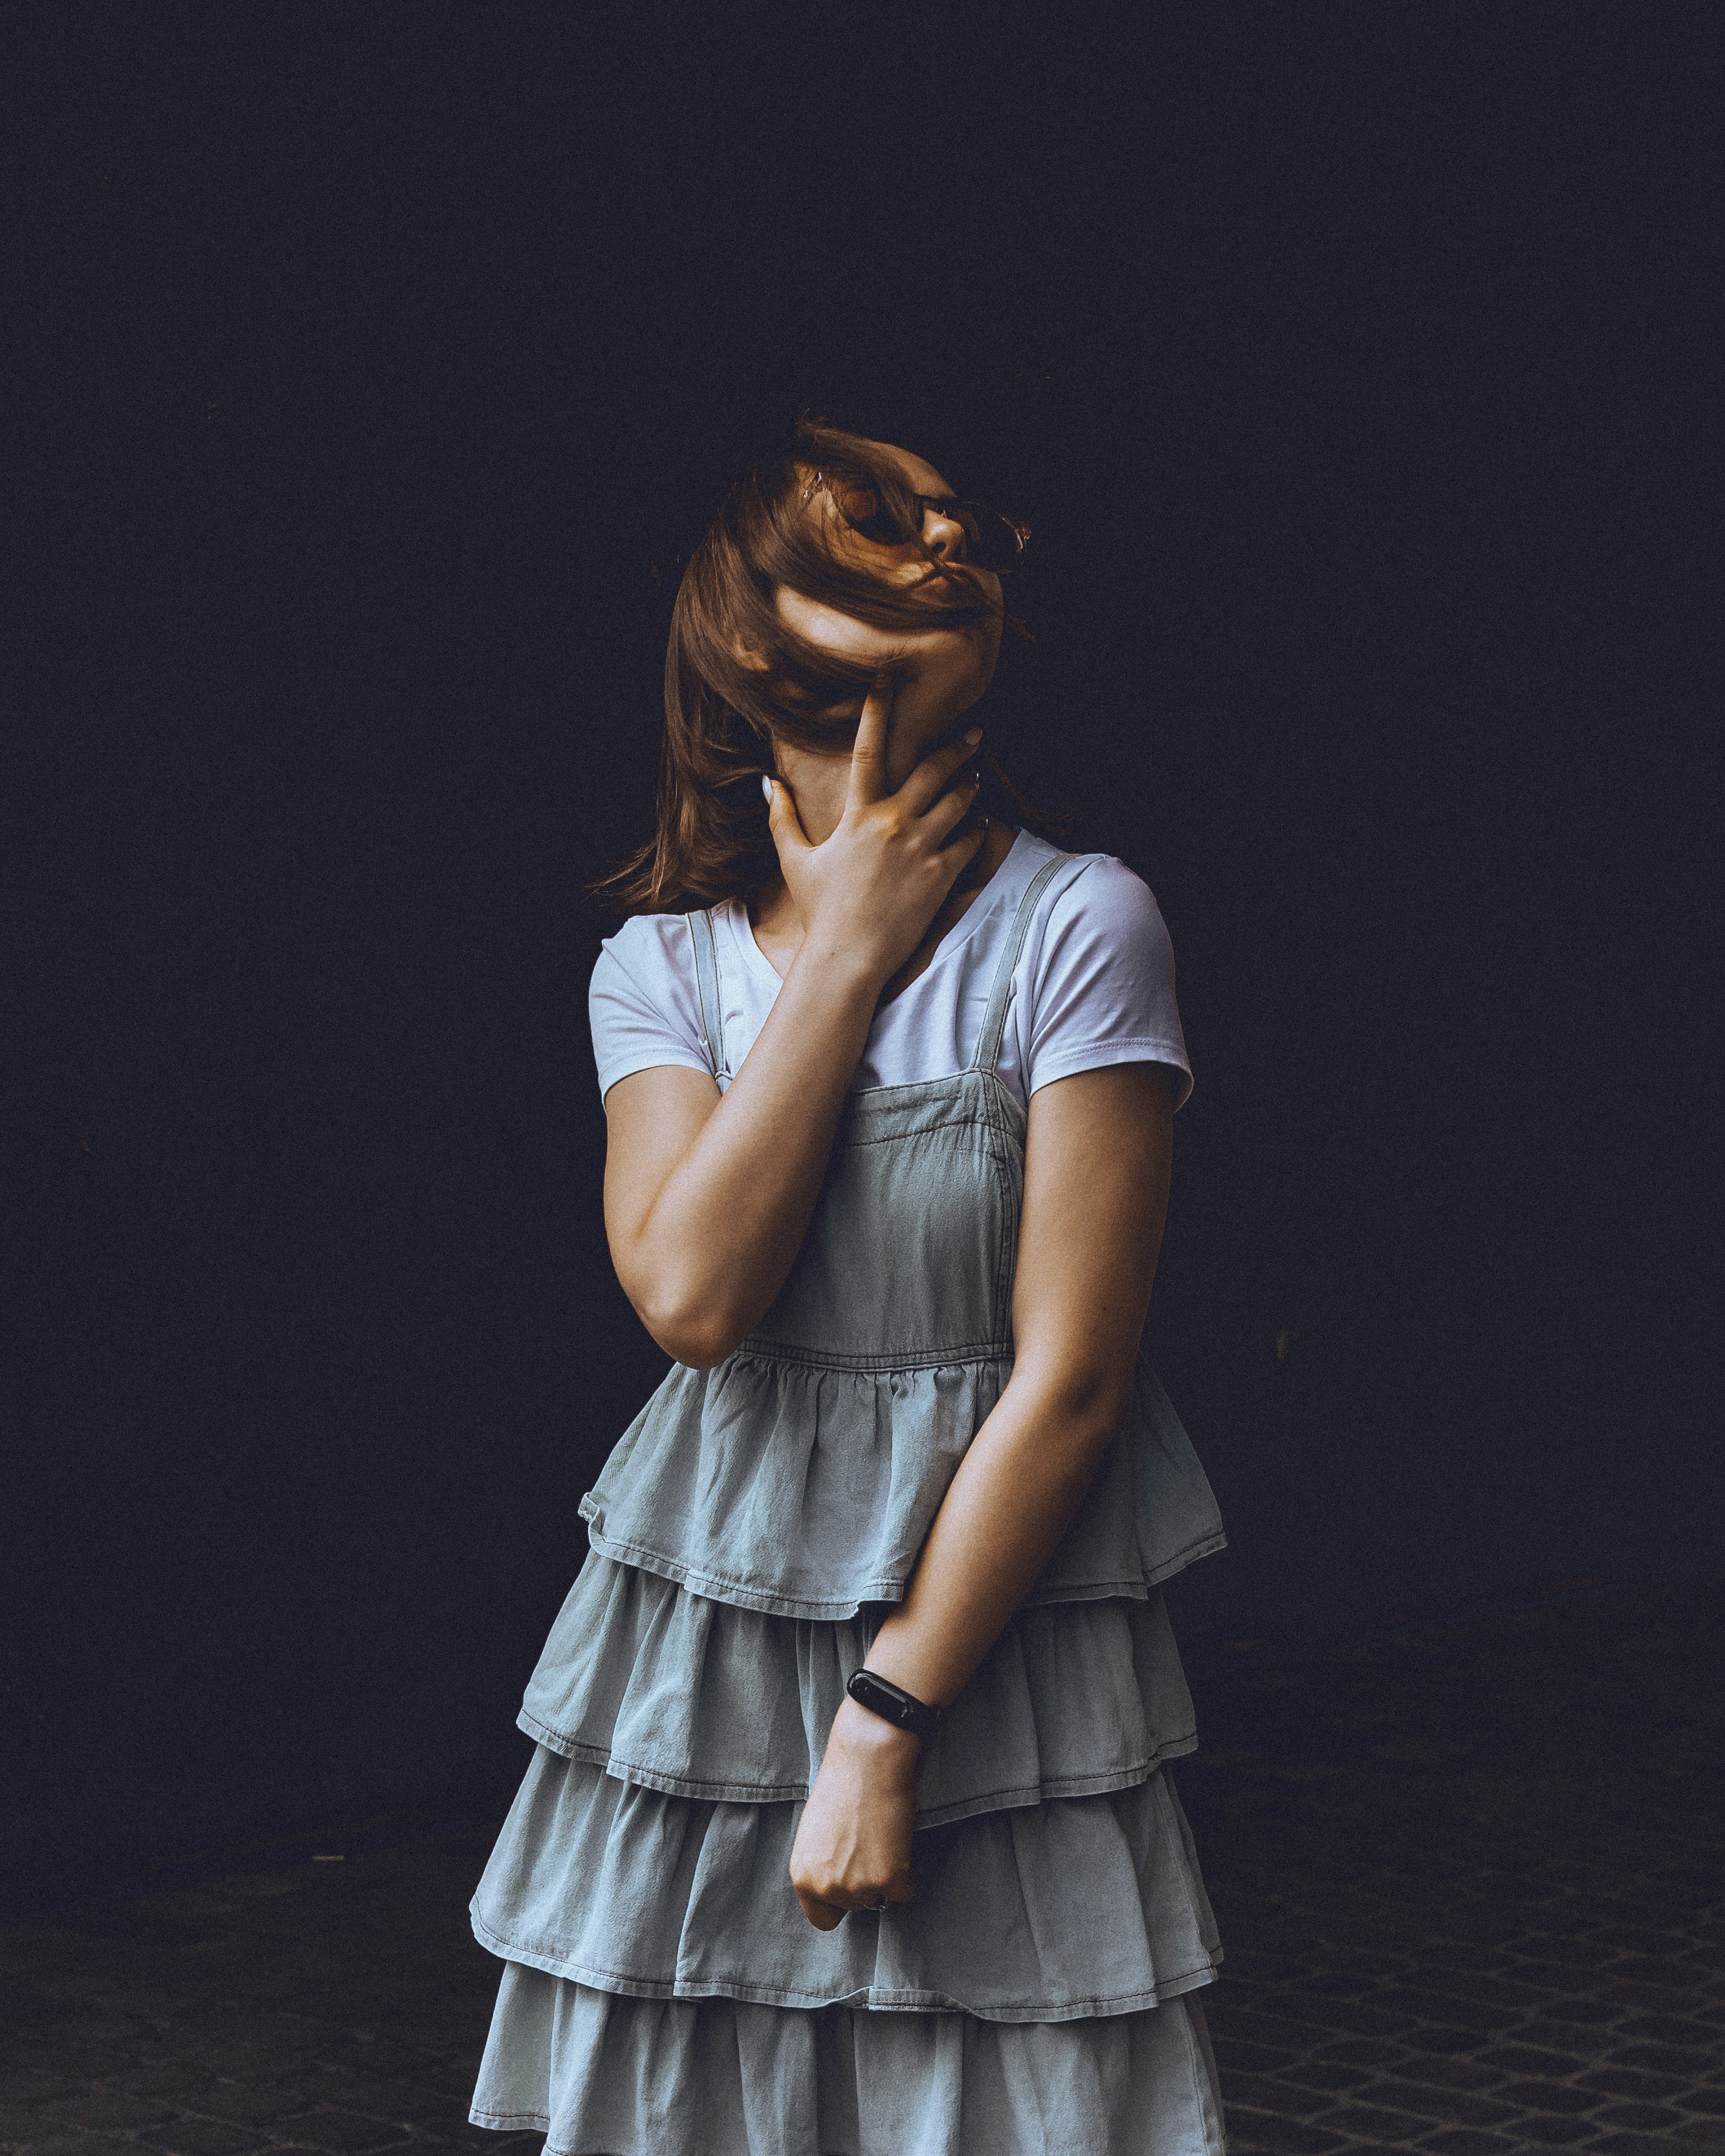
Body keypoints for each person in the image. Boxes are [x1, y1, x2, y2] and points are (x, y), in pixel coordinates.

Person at [467, 417, 1228, 2155]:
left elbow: (1073, 1379)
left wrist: (885, 1721)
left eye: (963, 523)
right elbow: (693, 1299)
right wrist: (851, 957)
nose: (956, 534)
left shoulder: (1076, 925)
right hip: (702, 1664)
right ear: (747, 635)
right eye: (886, 521)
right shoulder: (657, 968)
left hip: (993, 1646)